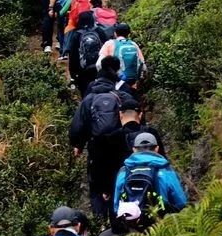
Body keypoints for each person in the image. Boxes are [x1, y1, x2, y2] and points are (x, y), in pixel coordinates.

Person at [69, 56, 123, 220]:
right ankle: (118, 219)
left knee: (95, 184)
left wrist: (77, 144)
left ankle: (100, 220)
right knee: (117, 178)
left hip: (96, 147)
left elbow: (79, 124)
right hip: (117, 146)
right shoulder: (120, 95)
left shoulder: (89, 98)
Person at [113, 133, 188, 222]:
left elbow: (116, 206)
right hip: (161, 222)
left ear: (134, 149)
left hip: (133, 224)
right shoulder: (166, 170)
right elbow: (181, 202)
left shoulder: (124, 172)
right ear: (156, 149)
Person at [112, 91, 166, 157]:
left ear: (120, 114)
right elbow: (162, 157)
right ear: (140, 115)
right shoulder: (151, 132)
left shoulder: (112, 137)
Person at [68, 9, 109, 95]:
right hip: (99, 68)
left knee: (86, 92)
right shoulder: (99, 31)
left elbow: (73, 55)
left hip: (83, 70)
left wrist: (73, 73)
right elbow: (107, 49)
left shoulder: (77, 34)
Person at [97, 23, 146, 91]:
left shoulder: (109, 44)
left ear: (115, 33)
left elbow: (98, 64)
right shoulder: (133, 44)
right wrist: (137, 82)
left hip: (115, 83)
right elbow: (143, 66)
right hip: (132, 83)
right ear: (128, 34)